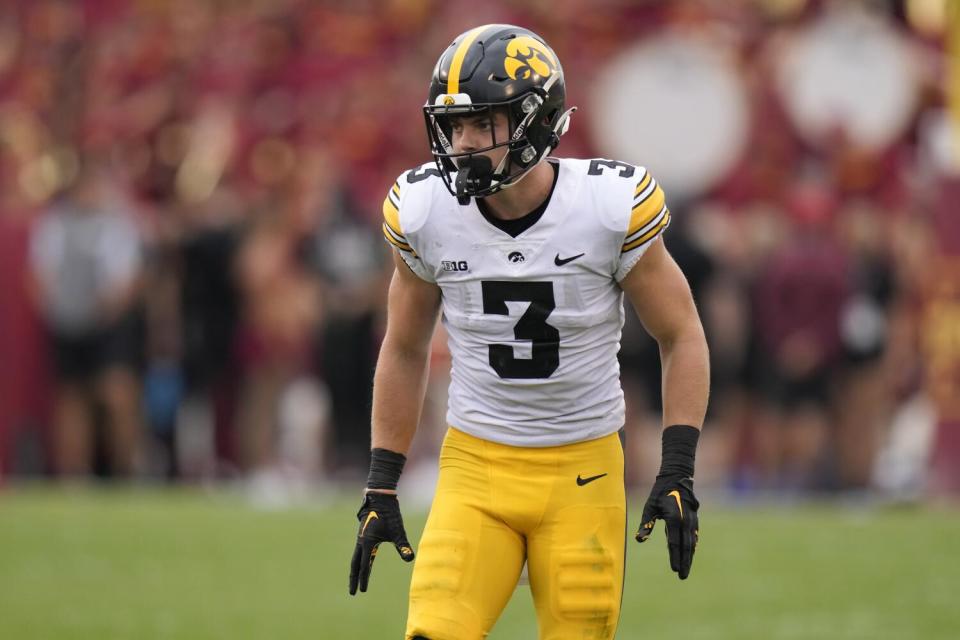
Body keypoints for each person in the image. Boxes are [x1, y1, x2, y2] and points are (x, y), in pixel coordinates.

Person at [347, 25, 710, 640]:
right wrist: (382, 480)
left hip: (583, 473)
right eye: (454, 125)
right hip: (474, 468)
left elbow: (683, 335)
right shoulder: (426, 211)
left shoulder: (604, 207)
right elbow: (404, 347)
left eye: (482, 123)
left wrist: (677, 469)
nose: (461, 142)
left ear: (534, 121)